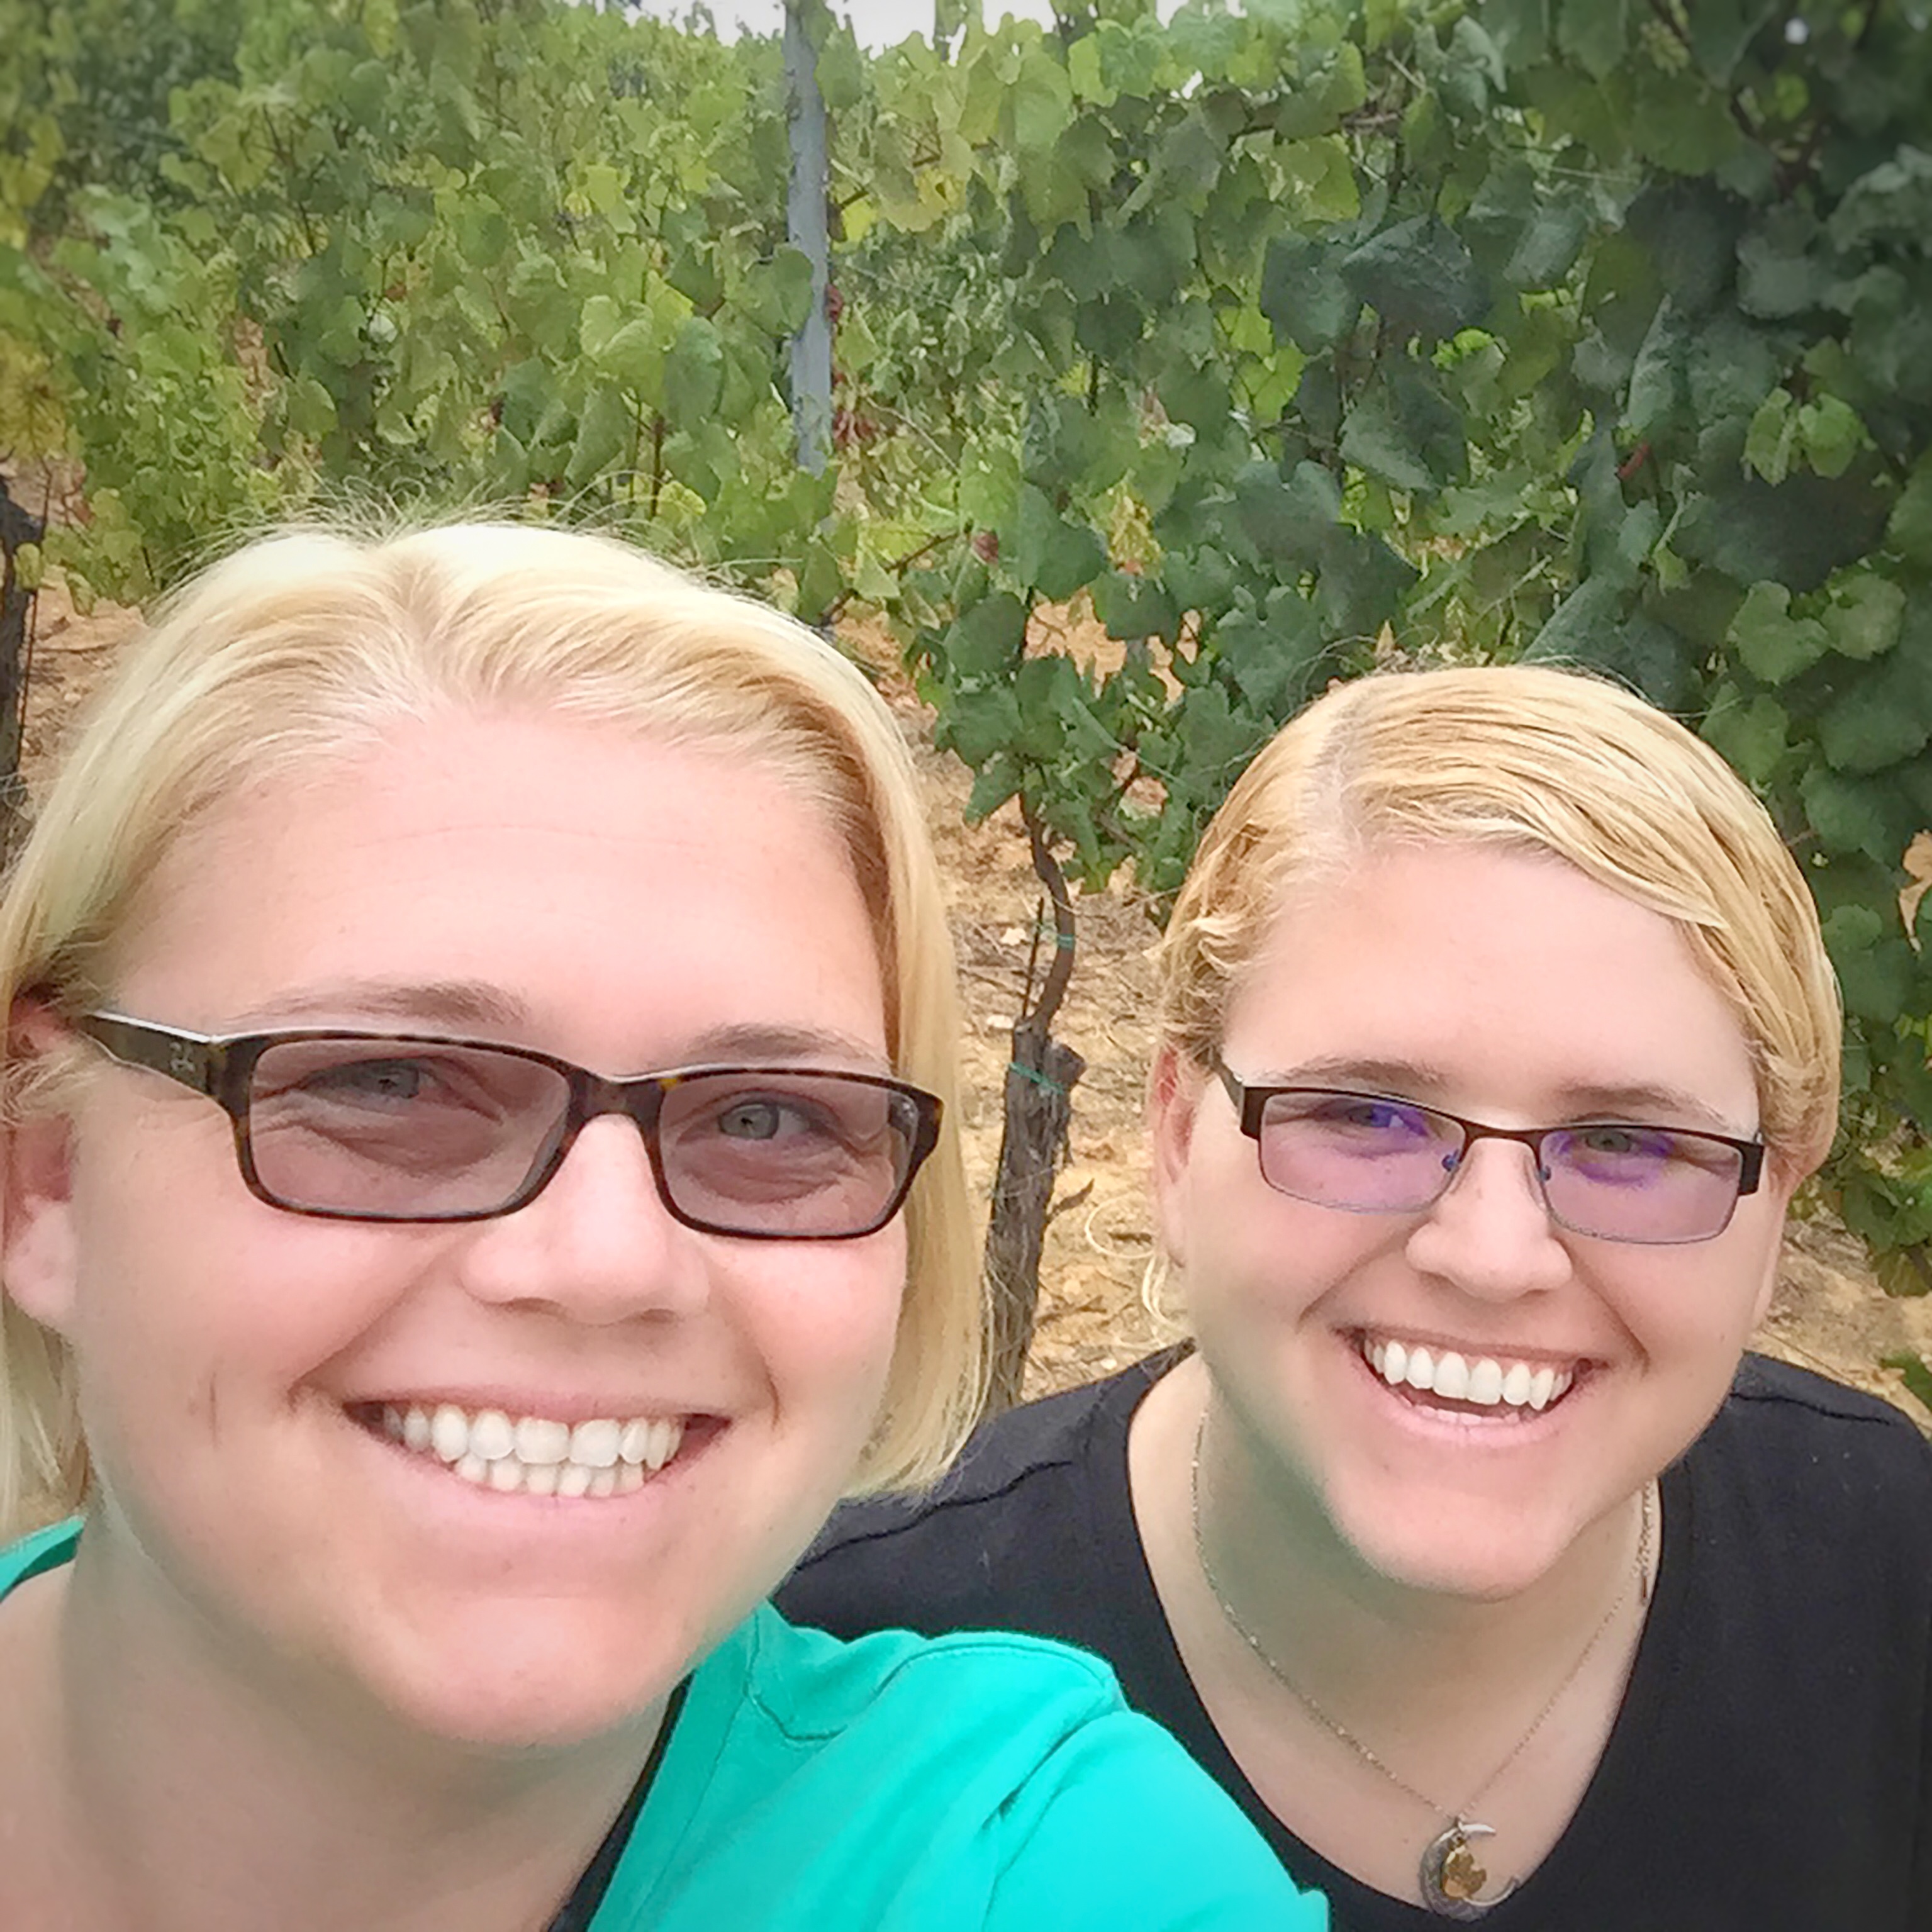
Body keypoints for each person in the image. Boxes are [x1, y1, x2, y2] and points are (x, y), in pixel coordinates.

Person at [0, 521, 1324, 1929]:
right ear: (48, 1172)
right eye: (391, 1086)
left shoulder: (1047, 1874)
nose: (608, 1261)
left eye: (765, 1119)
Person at [783, 663, 1932, 1930]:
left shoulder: (1886, 1569)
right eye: (1366, 1116)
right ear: (1177, 1138)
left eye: (1627, 1144)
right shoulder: (843, 1695)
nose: (1494, 1256)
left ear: (1778, 1208)